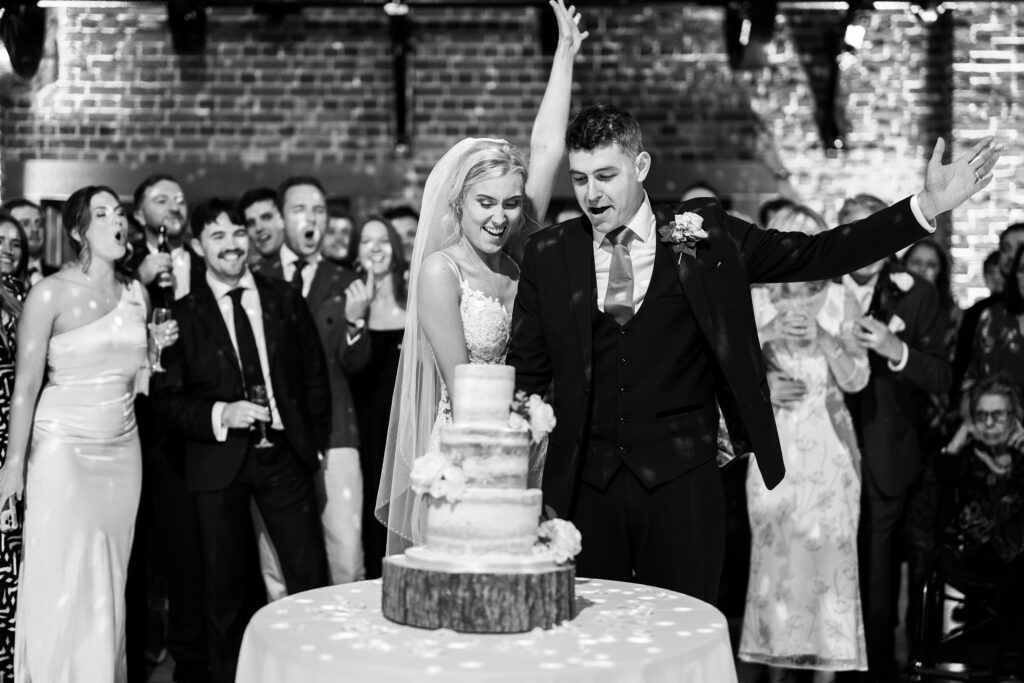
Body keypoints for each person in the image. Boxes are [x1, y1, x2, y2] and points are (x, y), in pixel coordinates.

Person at [505, 101, 998, 606]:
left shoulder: (708, 233)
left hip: (682, 482)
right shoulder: (550, 253)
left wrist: (924, 208)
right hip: (587, 485)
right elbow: (526, 378)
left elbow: (818, 253)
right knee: (594, 635)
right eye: (580, 178)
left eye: (606, 175)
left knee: (683, 626)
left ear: (642, 167)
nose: (591, 194)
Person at [375, 0, 587, 553]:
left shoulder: (520, 253)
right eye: (485, 202)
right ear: (459, 203)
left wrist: (564, 54)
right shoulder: (440, 273)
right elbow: (462, 385)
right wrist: (519, 432)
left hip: (527, 435)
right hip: (468, 451)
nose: (500, 216)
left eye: (512, 203)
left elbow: (547, 148)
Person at [151, 198, 331, 683]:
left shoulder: (282, 298)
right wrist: (219, 413)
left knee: (308, 574)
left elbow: (314, 374)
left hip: (285, 456)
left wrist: (312, 444)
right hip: (217, 460)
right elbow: (165, 401)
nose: (231, 245)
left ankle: (313, 670)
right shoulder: (181, 315)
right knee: (224, 589)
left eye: (236, 234)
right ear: (196, 245)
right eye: (217, 236)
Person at [0, 185, 173, 682]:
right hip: (62, 449)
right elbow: (26, 388)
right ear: (79, 230)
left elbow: (136, 377)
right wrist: (13, 466)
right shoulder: (49, 293)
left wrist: (154, 353)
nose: (117, 222)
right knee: (64, 574)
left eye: (119, 213)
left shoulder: (134, 293)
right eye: (102, 214)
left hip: (123, 449)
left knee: (110, 578)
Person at [739, 207, 869, 681]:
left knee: (828, 575)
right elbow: (726, 372)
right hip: (775, 453)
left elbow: (858, 380)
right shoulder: (754, 296)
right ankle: (775, 671)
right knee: (778, 572)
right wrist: (767, 348)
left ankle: (826, 674)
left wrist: (827, 338)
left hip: (832, 456)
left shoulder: (841, 299)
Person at [836, 193, 952, 682]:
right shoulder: (809, 286)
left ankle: (874, 671)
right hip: (818, 450)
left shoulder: (917, 294)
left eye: (875, 231)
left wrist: (895, 348)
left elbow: (943, 377)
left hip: (884, 454)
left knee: (875, 576)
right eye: (853, 231)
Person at [252, 178, 370, 594]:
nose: (312, 218)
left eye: (319, 210)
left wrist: (356, 323)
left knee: (347, 552)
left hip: (336, 429)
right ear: (283, 218)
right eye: (301, 209)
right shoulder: (254, 278)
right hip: (274, 434)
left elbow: (355, 363)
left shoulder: (344, 281)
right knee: (277, 559)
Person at [937, 374, 1024, 680]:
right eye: (981, 415)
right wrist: (954, 447)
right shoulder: (958, 460)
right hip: (970, 556)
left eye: (999, 415)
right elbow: (934, 512)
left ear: (1014, 419)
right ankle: (1009, 665)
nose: (989, 423)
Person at [347, 216, 408, 578]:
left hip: (408, 425)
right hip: (369, 429)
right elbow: (352, 368)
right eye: (366, 241)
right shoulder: (350, 299)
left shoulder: (414, 297)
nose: (375, 248)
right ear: (357, 251)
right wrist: (356, 318)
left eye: (383, 240)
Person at [0, 223, 26, 680]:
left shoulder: (21, 298)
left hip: (20, 446)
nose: (8, 250)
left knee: (13, 565)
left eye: (15, 244)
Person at [0, 199, 54, 286]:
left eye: (38, 223)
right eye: (25, 223)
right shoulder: (5, 273)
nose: (35, 229)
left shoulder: (60, 275)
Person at [239, 187, 286, 270]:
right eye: (251, 223)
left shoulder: (311, 265)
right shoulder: (248, 276)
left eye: (266, 217)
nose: (258, 228)